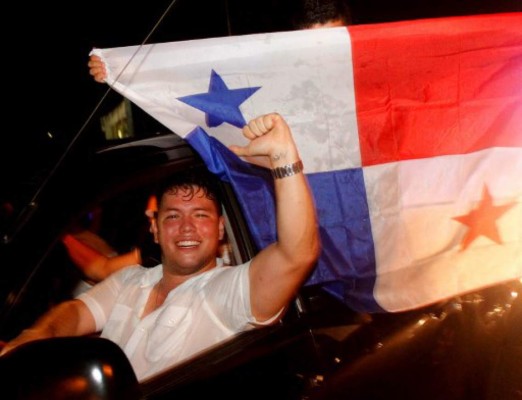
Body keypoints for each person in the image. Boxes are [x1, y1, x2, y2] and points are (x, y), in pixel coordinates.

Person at [0, 112, 321, 382]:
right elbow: (74, 311)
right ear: (155, 229)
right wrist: (35, 337)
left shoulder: (225, 293)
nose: (186, 227)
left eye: (200, 215)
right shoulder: (130, 280)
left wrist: (283, 159)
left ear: (220, 228)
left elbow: (296, 255)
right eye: (173, 216)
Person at [87, 0, 353, 83]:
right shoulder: (278, 76)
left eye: (335, 43)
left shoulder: (371, 71)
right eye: (313, 45)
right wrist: (122, 69)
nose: (324, 55)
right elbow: (194, 74)